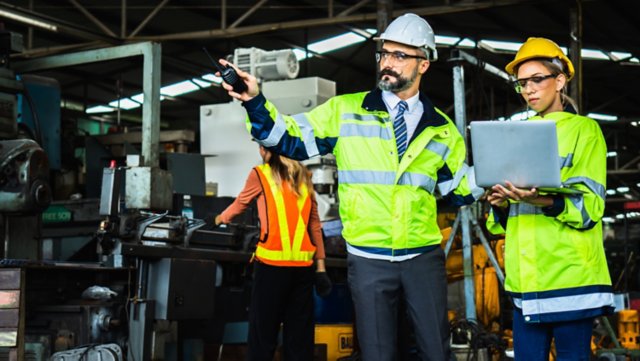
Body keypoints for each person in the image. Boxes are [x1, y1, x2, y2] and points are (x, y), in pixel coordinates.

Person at [217, 13, 483, 361]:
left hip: (423, 257)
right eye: (384, 54)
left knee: (436, 352)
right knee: (377, 354)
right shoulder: (345, 112)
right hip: (369, 258)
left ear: (424, 64)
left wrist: (496, 177)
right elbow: (288, 140)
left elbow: (456, 190)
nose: (387, 63)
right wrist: (254, 100)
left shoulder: (443, 130)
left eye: (400, 56)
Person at [486, 37, 615, 360]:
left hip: (570, 278)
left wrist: (540, 199)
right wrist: (500, 203)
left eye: (537, 79)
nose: (528, 89)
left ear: (559, 81)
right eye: (522, 83)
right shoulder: (512, 135)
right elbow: (502, 225)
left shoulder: (585, 132)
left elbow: (590, 209)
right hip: (524, 284)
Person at [215, 145, 332, 361]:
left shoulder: (260, 174)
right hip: (303, 269)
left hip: (271, 268)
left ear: (262, 149)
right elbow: (315, 225)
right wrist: (321, 268)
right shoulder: (304, 176)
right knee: (299, 340)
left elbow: (241, 204)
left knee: (263, 337)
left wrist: (218, 219)